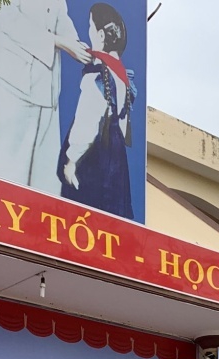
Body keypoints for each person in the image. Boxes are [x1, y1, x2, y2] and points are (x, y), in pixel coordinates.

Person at [0, 0, 86, 194]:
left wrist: (76, 44)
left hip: (46, 85)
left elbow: (60, 16)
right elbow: (9, 19)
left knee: (45, 170)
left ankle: (40, 220)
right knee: (9, 163)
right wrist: (59, 41)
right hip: (10, 79)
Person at [60, 3, 136, 218]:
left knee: (82, 217)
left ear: (101, 35)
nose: (89, 32)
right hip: (116, 154)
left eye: (90, 27)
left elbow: (87, 122)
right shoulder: (123, 77)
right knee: (113, 216)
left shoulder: (97, 75)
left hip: (95, 157)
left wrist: (71, 162)